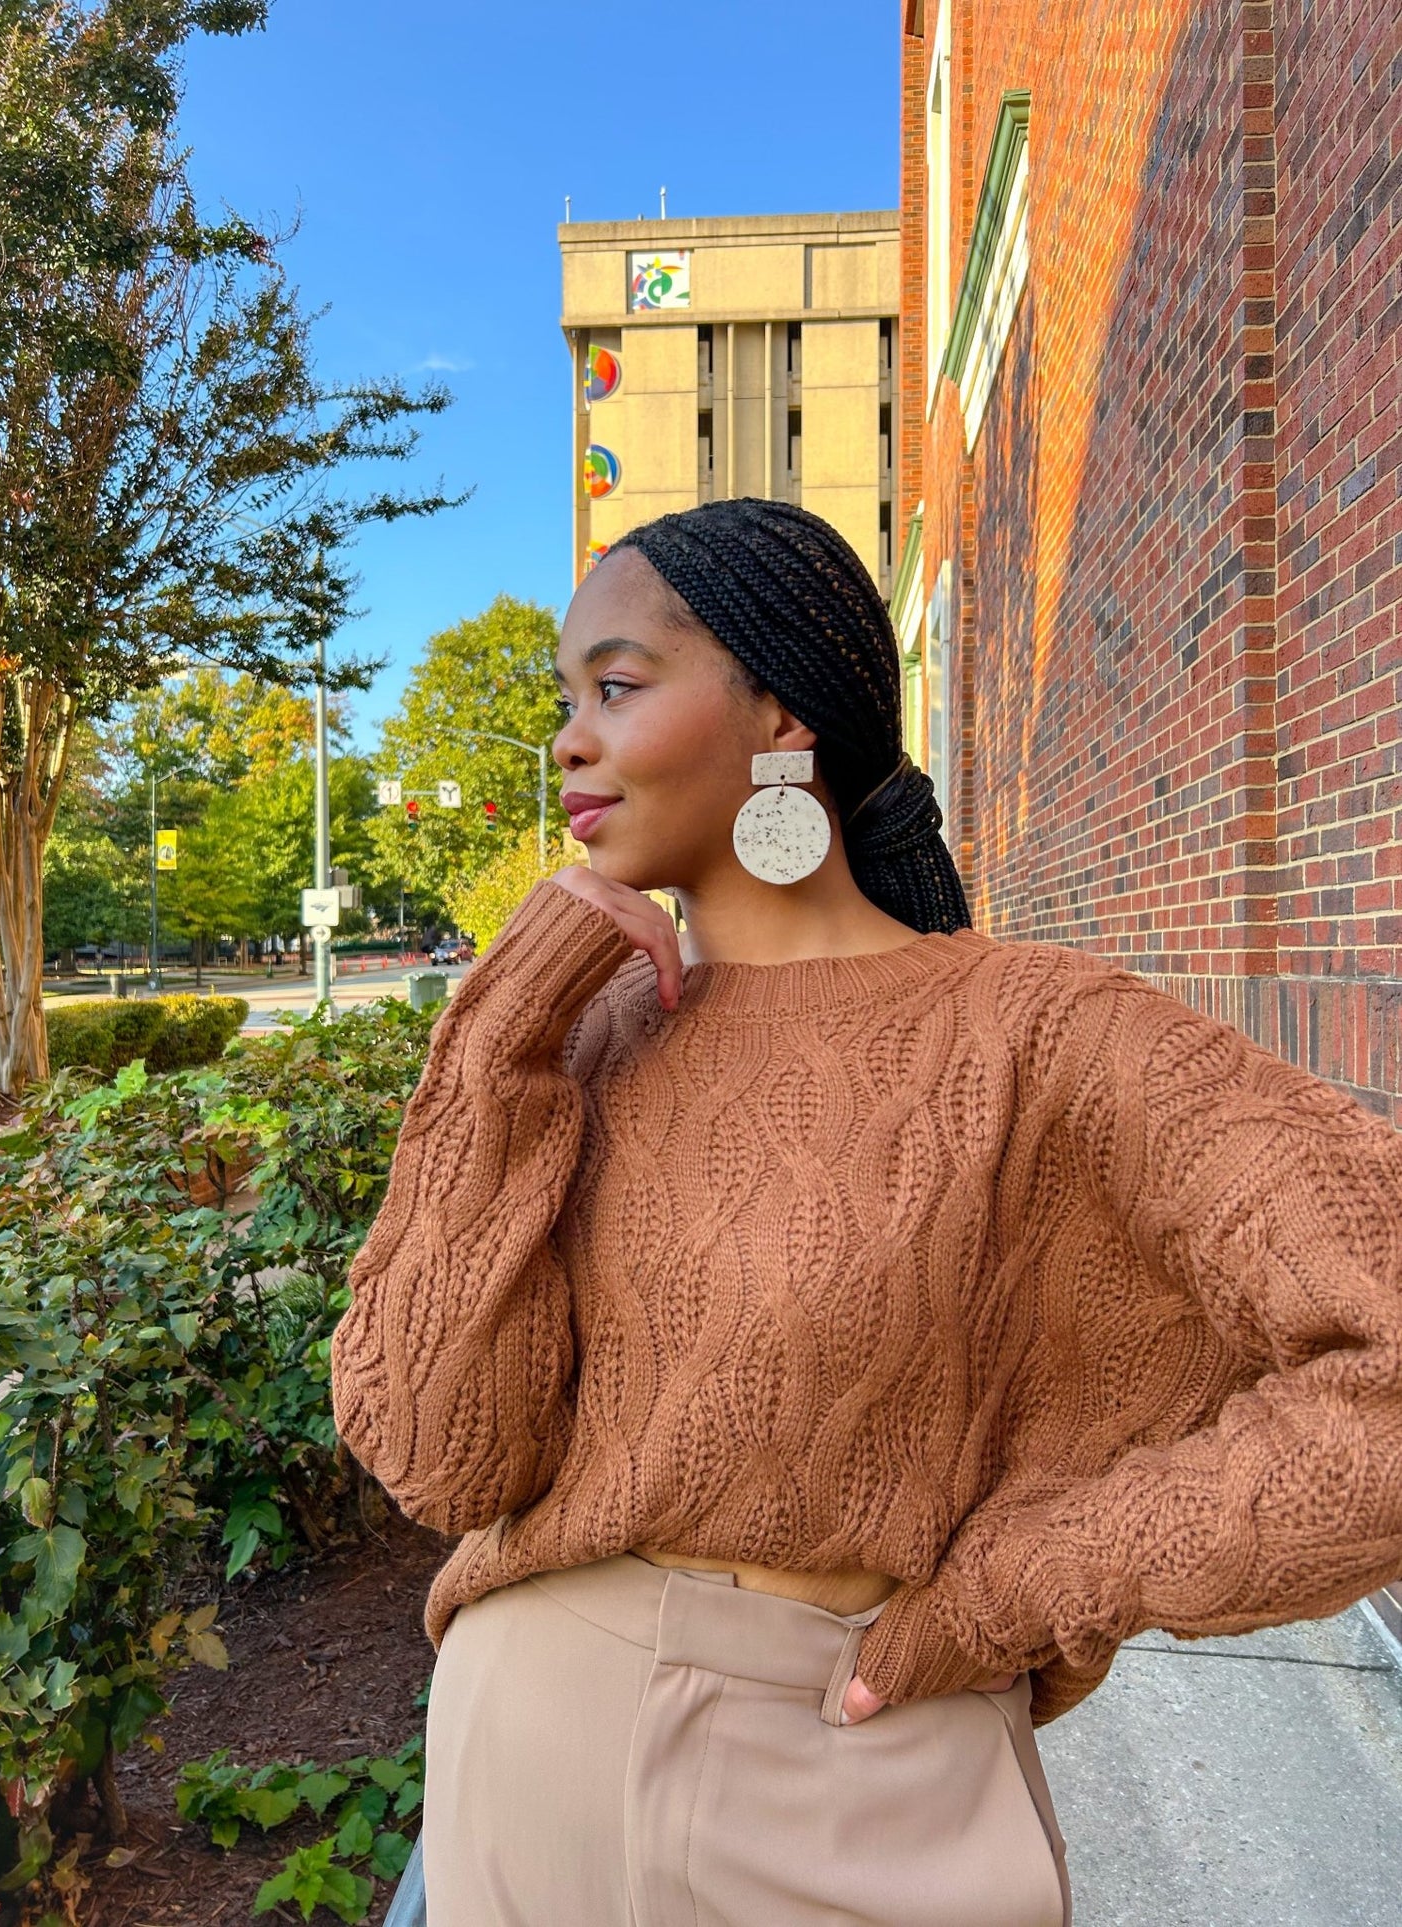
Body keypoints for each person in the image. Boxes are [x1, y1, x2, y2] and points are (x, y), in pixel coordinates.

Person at [330, 499, 1402, 1926]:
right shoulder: (574, 1037)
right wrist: (502, 1027)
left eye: (617, 686)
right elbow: (437, 1456)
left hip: (872, 1764)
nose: (570, 742)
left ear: (781, 716)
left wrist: (1025, 1585)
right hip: (534, 1750)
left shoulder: (1039, 1033)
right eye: (564, 702)